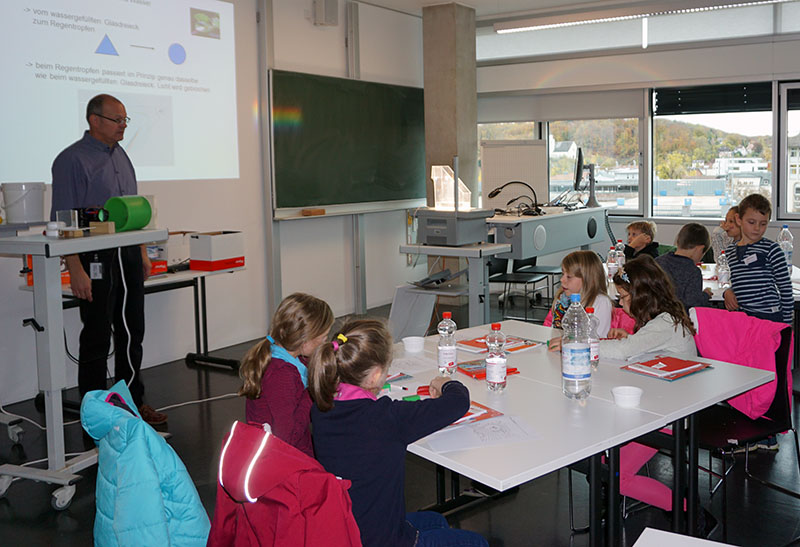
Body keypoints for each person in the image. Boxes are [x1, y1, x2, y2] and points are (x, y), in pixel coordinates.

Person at [308, 320, 488, 547]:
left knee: (434, 520)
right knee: (477, 542)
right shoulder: (386, 418)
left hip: (346, 528)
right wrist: (446, 383)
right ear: (375, 376)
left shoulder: (321, 408)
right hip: (384, 541)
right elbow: (458, 402)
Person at [50, 94, 166, 425]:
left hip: (127, 253)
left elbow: (134, 208)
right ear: (94, 120)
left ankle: (132, 401)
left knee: (132, 329)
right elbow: (63, 221)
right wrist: (75, 268)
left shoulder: (122, 156)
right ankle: (95, 408)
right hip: (93, 256)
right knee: (98, 332)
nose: (123, 127)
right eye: (118, 120)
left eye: (126, 120)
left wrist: (142, 250)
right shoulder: (71, 160)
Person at [238, 292, 333, 458]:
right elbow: (288, 438)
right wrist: (311, 391)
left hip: (291, 454)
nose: (325, 342)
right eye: (323, 338)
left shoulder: (292, 357)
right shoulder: (281, 375)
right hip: (286, 461)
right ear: (305, 340)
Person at [599, 255, 697, 360]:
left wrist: (585, 346)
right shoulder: (666, 318)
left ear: (641, 297)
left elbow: (622, 351)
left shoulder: (665, 323)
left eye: (623, 297)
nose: (621, 303)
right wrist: (631, 339)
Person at [723, 193, 793, 324]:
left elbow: (785, 289)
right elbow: (739, 280)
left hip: (769, 317)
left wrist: (787, 325)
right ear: (739, 220)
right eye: (751, 222)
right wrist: (728, 291)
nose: (757, 228)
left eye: (763, 224)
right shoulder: (730, 251)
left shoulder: (772, 250)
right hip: (744, 317)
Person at [544, 250, 613, 351]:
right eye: (562, 274)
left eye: (569, 277)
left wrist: (566, 343)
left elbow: (596, 341)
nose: (562, 280)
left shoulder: (601, 302)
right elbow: (553, 330)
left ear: (587, 279)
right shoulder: (563, 299)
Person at [656, 223, 714, 311]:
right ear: (699, 249)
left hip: (654, 316)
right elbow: (693, 303)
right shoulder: (693, 272)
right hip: (680, 319)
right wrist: (705, 295)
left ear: (678, 241)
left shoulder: (657, 262)